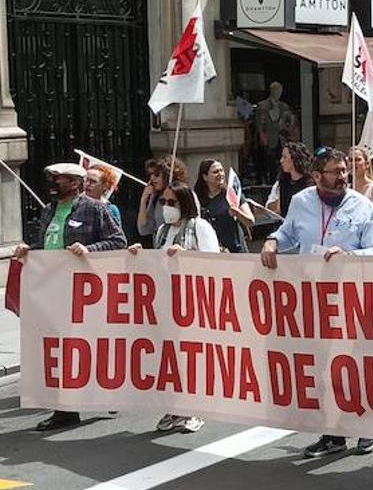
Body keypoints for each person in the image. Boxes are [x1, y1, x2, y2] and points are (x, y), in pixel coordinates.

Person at [260, 147, 373, 457]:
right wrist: (272, 240)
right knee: (321, 366)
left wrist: (349, 256)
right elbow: (289, 234)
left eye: (345, 170)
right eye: (336, 171)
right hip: (314, 299)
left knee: (355, 365)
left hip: (353, 299)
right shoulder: (301, 201)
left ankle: (366, 428)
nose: (343, 176)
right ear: (317, 176)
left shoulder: (362, 206)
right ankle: (332, 435)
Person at [12, 162, 126, 431]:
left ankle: (109, 390)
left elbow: (117, 240)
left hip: (85, 293)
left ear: (75, 184)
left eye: (59, 179)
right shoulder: (49, 210)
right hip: (54, 292)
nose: (53, 183)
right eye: (52, 178)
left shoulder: (96, 208)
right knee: (60, 348)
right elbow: (48, 245)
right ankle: (65, 410)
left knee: (90, 345)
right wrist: (30, 250)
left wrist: (89, 248)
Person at [127, 181, 220, 433]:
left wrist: (187, 257)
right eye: (164, 202)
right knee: (169, 359)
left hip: (193, 304)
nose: (167, 207)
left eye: (172, 202)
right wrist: (138, 256)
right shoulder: (161, 231)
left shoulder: (199, 227)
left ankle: (195, 409)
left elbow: (215, 265)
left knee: (190, 358)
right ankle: (175, 407)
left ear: (185, 203)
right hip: (166, 305)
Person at [193, 160, 253, 253]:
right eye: (215, 172)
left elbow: (250, 221)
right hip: (210, 251)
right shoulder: (197, 198)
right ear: (205, 177)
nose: (220, 174)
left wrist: (237, 213)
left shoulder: (232, 194)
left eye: (221, 170)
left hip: (235, 251)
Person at [138, 157, 187, 240]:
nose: (152, 178)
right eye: (150, 175)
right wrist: (143, 200)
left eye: (156, 175)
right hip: (161, 247)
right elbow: (144, 229)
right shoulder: (155, 198)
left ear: (167, 175)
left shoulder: (185, 194)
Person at [265, 142, 312, 217]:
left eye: (285, 157)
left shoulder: (311, 184)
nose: (281, 160)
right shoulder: (281, 183)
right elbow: (273, 209)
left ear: (295, 159)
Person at [347, 145, 373, 218]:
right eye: (350, 160)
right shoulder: (346, 188)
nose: (353, 163)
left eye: (357, 160)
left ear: (367, 164)